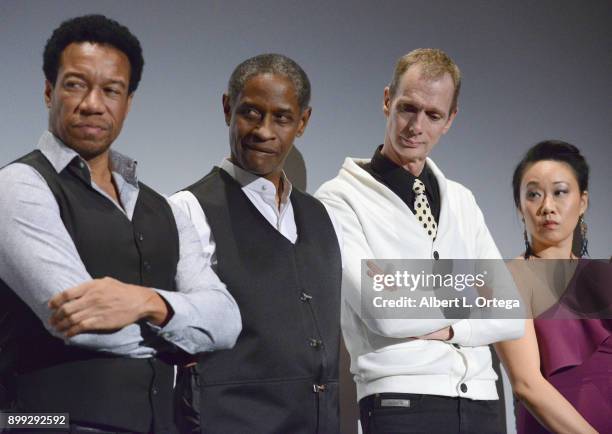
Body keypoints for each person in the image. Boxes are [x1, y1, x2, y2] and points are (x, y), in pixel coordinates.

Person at [0, 14, 241, 434]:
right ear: (47, 91)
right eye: (75, 84)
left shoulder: (161, 207)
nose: (93, 103)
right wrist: (187, 333)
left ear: (129, 103)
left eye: (111, 90)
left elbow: (227, 319)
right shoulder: (19, 185)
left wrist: (150, 303)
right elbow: (78, 324)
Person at [315, 48, 524, 433]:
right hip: (402, 399)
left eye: (433, 115)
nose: (416, 126)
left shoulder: (461, 200)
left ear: (450, 120)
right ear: (386, 101)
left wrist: (447, 326)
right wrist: (470, 289)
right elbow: (384, 311)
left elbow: (510, 309)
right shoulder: (339, 198)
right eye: (409, 108)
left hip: (481, 399)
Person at [170, 54, 343, 434]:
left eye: (281, 117)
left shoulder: (319, 215)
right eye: (251, 113)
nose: (264, 131)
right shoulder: (187, 210)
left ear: (303, 123)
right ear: (227, 108)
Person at [494, 140, 611, 434]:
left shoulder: (604, 274)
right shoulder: (507, 279)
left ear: (582, 201)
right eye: (533, 195)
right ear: (520, 206)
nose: (547, 207)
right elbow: (526, 384)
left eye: (560, 192)